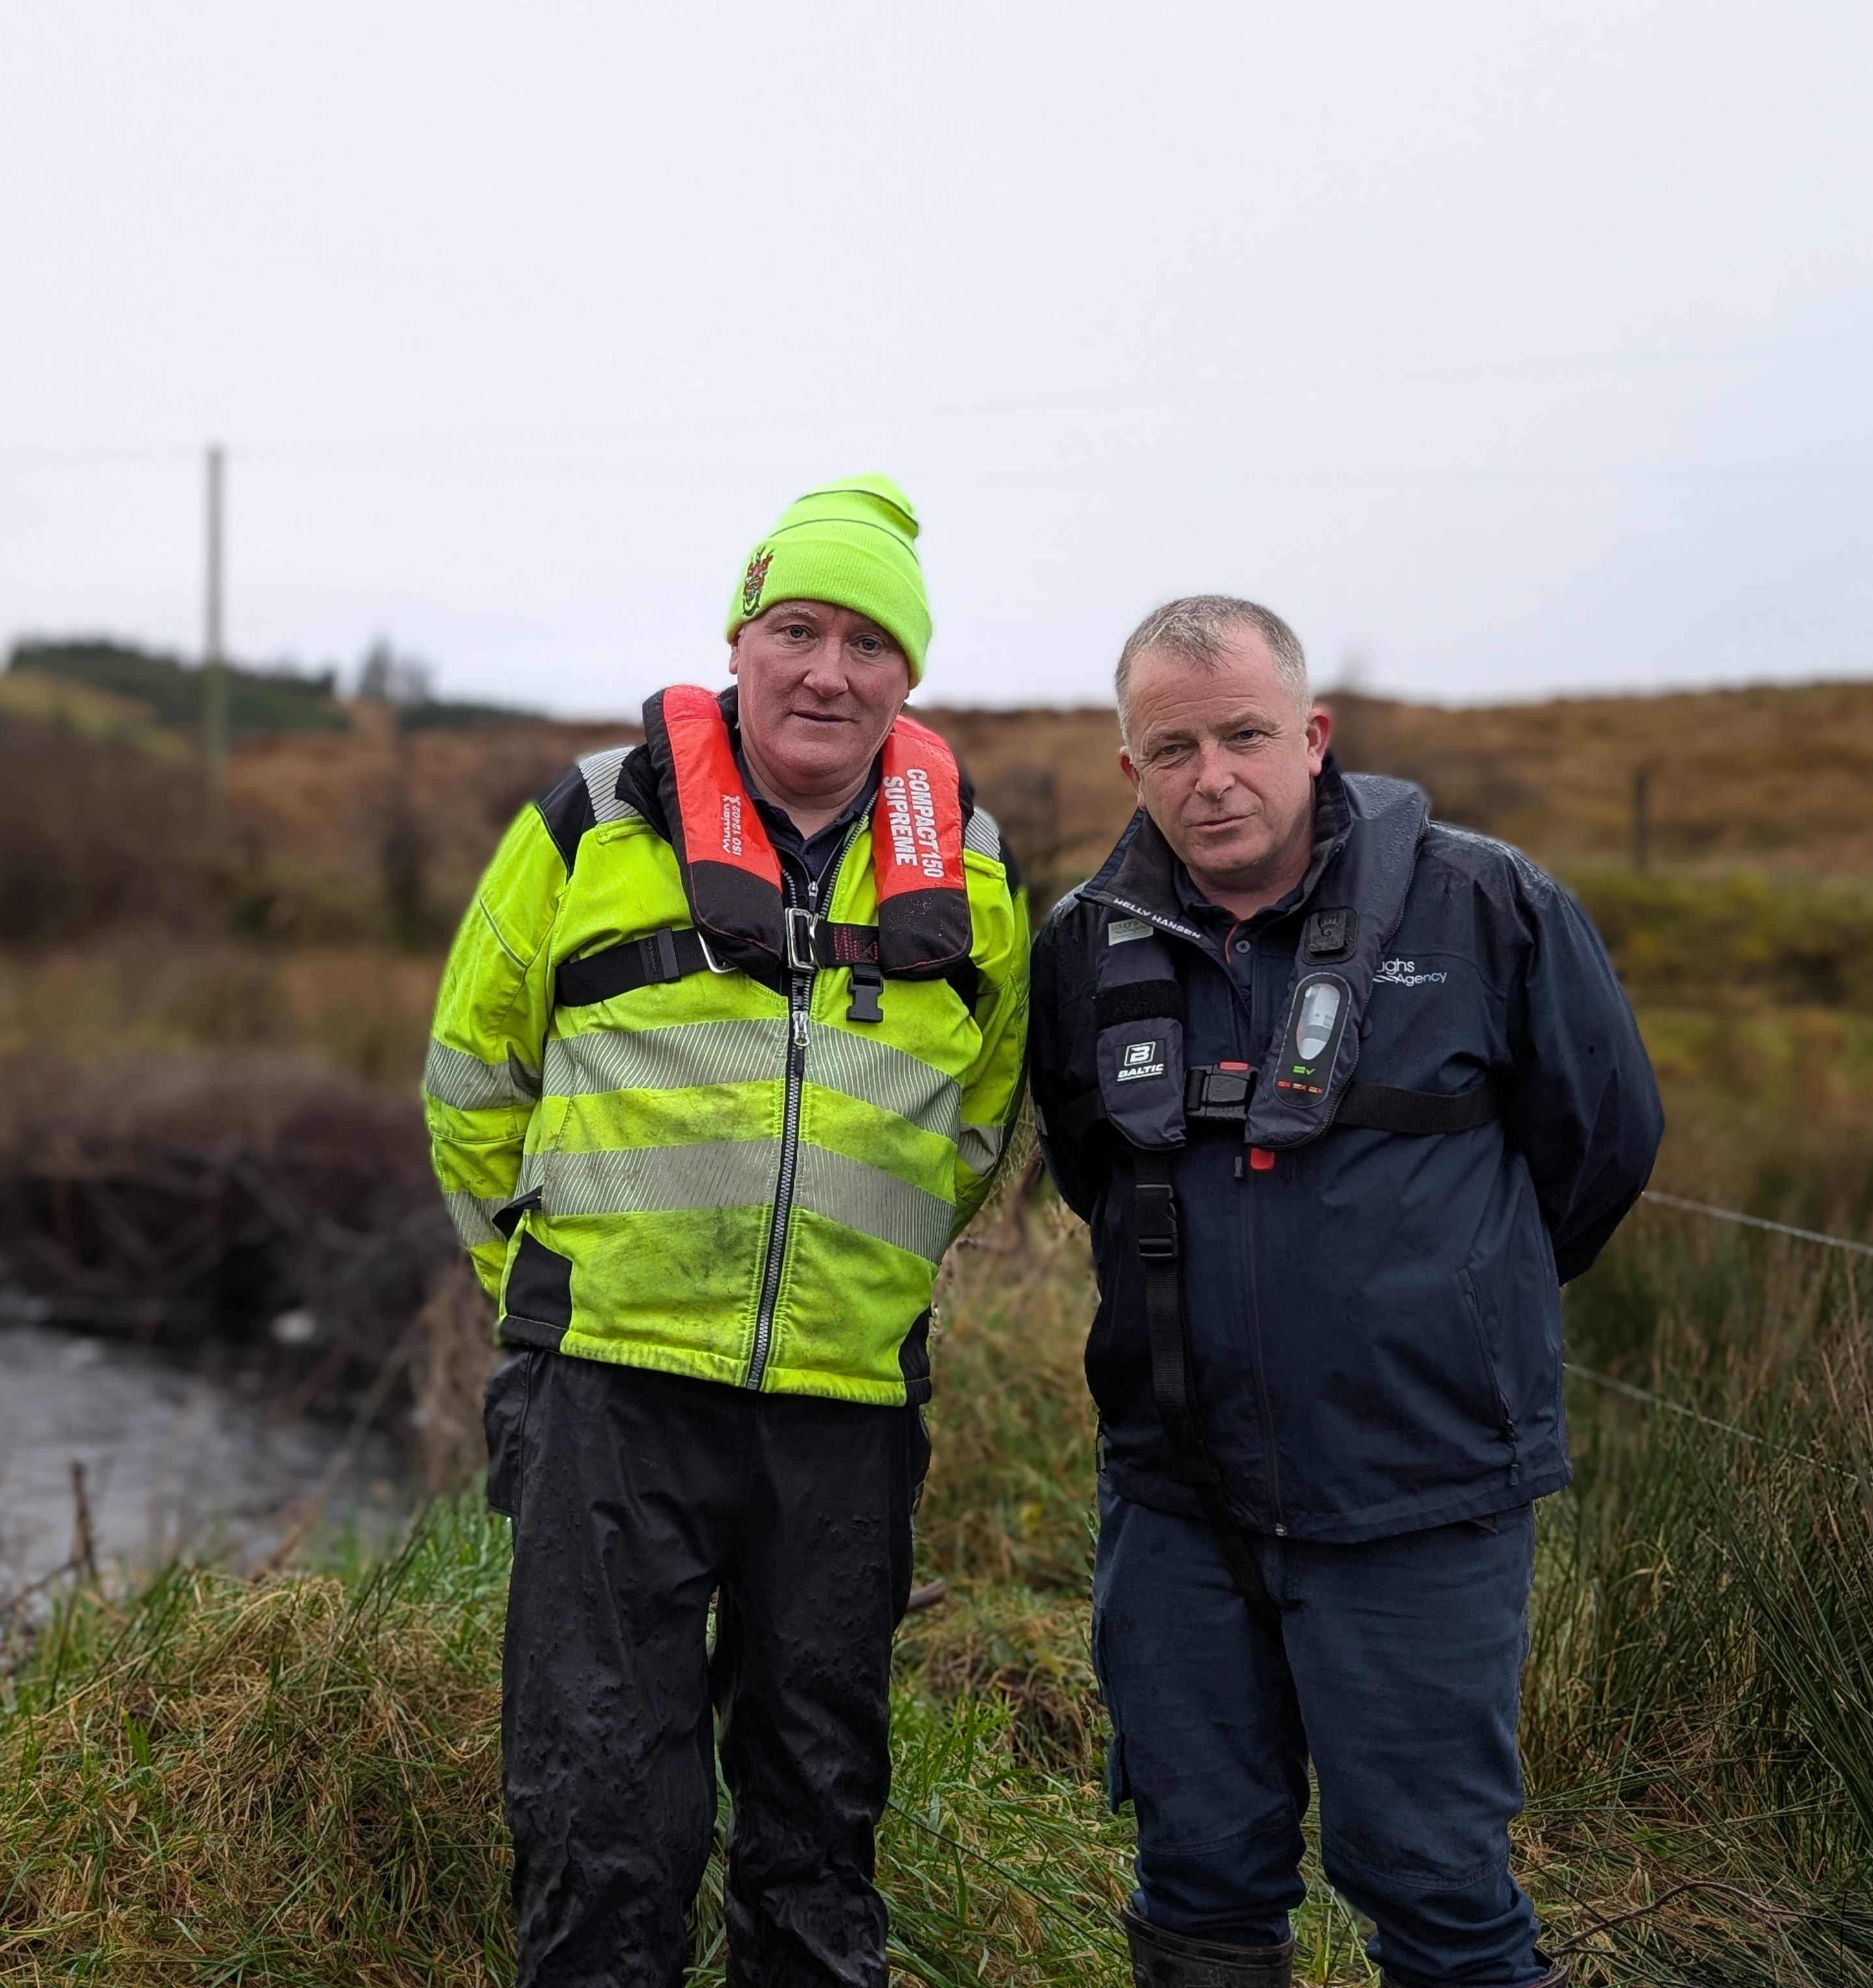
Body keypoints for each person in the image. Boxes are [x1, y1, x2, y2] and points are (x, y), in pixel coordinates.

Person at [422, 475, 1031, 1987]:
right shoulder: (589, 824)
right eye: (798, 630)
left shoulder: (974, 871)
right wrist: (543, 1282)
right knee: (599, 1813)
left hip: (843, 1410)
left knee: (821, 1817)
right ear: (741, 642)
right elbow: (468, 1081)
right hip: (611, 1391)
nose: (830, 671)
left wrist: (862, 1280)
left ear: (910, 674)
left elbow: (978, 1126)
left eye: (869, 643)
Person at [1028, 597, 1663, 1988]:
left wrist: (1440, 1310)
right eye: (1175, 747)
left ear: (1313, 736)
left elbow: (1601, 1152)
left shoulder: (1490, 906)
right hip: (1177, 1500)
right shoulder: (1081, 944)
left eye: (1247, 736)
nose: (1215, 778)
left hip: (1419, 1500)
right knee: (1196, 1876)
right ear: (1131, 770)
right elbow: (1092, 1167)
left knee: (1435, 1885)